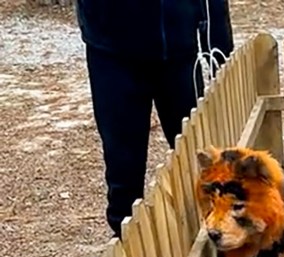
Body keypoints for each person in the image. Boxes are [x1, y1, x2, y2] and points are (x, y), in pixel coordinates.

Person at [75, 0, 235, 237]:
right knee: (123, 167)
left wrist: (218, 46)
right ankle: (126, 250)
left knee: (200, 156)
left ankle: (213, 243)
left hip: (179, 45)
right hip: (111, 47)